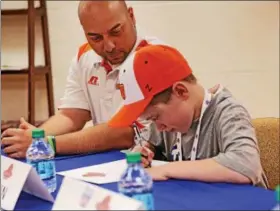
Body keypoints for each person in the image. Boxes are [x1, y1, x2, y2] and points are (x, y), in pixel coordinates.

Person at [1, 0, 164, 158]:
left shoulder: (155, 57)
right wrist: (36, 137)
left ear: (131, 16)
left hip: (148, 165)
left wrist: (48, 143)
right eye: (96, 38)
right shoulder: (84, 56)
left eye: (116, 32)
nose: (109, 46)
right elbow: (71, 115)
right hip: (106, 161)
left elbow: (125, 133)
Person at [108, 44, 268, 188]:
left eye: (155, 117)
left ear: (181, 91)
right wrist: (143, 151)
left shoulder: (229, 112)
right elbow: (146, 140)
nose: (158, 127)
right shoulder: (170, 122)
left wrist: (166, 170)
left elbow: (247, 165)